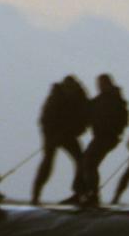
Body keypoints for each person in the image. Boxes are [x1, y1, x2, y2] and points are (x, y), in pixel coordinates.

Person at [31, 75, 89, 205]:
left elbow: (84, 119)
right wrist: (52, 135)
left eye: (72, 87)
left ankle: (79, 193)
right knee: (48, 162)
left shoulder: (81, 97)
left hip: (69, 135)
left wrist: (73, 131)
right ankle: (35, 195)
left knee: (81, 160)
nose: (70, 90)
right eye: (68, 87)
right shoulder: (55, 97)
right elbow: (45, 119)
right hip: (52, 134)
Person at [79, 73, 129, 206]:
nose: (100, 87)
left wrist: (112, 130)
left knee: (89, 163)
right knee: (87, 162)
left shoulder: (114, 99)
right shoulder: (100, 100)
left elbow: (122, 119)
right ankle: (87, 193)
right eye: (99, 84)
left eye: (102, 84)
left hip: (108, 137)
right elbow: (87, 112)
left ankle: (92, 194)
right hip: (100, 136)